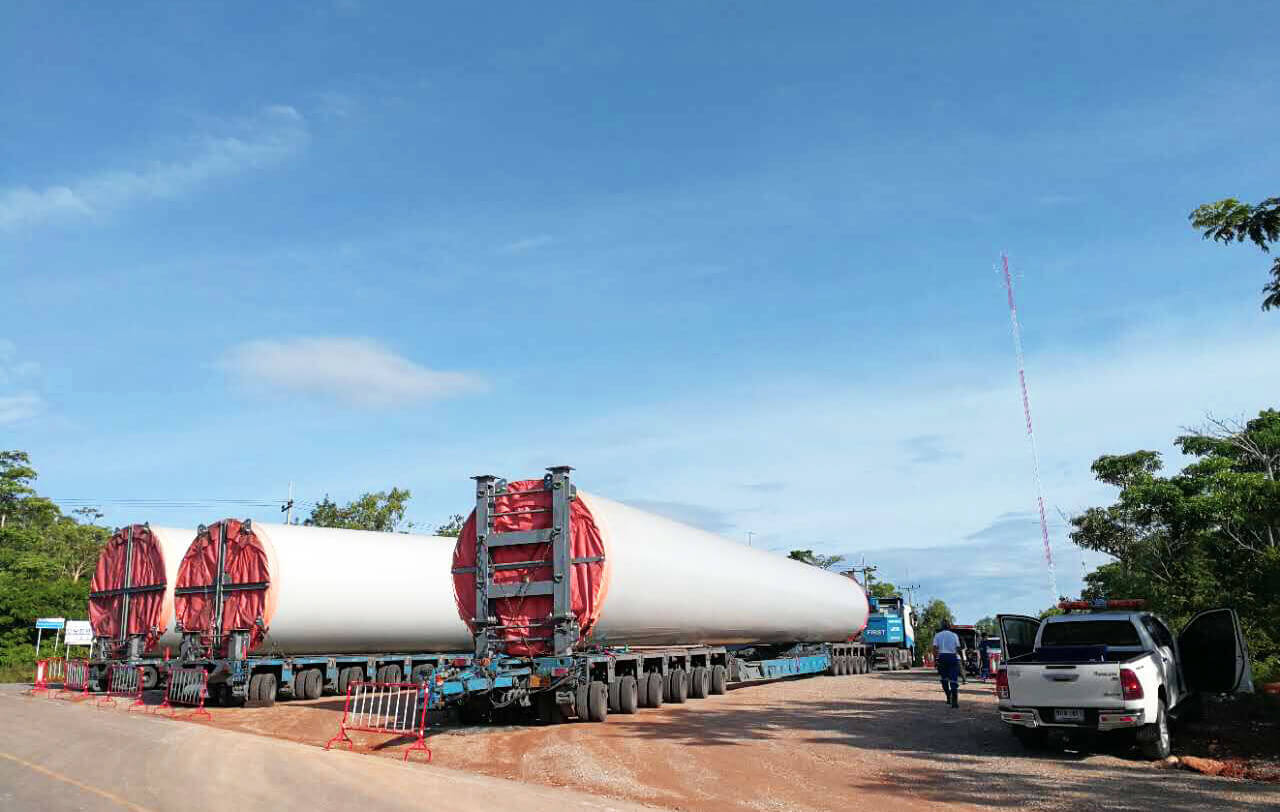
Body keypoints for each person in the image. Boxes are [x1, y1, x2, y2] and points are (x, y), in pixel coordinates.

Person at [932, 619, 961, 708]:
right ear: (949, 626)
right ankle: (955, 701)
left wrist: (936, 659)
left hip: (942, 657)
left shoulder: (937, 635)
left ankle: (948, 696)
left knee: (944, 679)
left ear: (941, 626)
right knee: (953, 679)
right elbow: (958, 648)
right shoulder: (954, 635)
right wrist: (957, 656)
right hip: (952, 657)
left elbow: (934, 648)